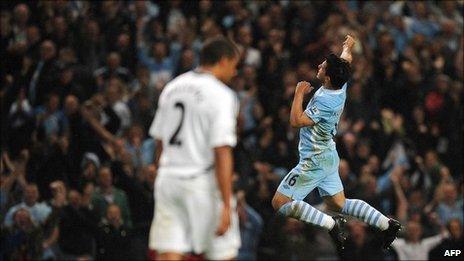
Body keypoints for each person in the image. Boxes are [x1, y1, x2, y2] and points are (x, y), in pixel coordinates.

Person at [271, 35, 402, 250]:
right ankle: (386, 225)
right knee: (338, 203)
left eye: (324, 66)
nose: (320, 65)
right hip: (328, 155)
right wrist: (347, 46)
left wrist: (298, 94)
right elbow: (346, 60)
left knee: (280, 203)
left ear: (329, 77)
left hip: (314, 160)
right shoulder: (340, 84)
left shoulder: (325, 100)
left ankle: (331, 224)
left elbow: (296, 121)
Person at [148, 36, 241, 260]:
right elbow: (221, 151)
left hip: (168, 179)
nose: (235, 72)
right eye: (234, 65)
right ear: (223, 60)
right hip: (202, 182)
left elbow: (159, 141)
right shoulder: (221, 94)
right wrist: (227, 204)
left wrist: (159, 171)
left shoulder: (173, 87)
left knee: (170, 251)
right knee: (222, 253)